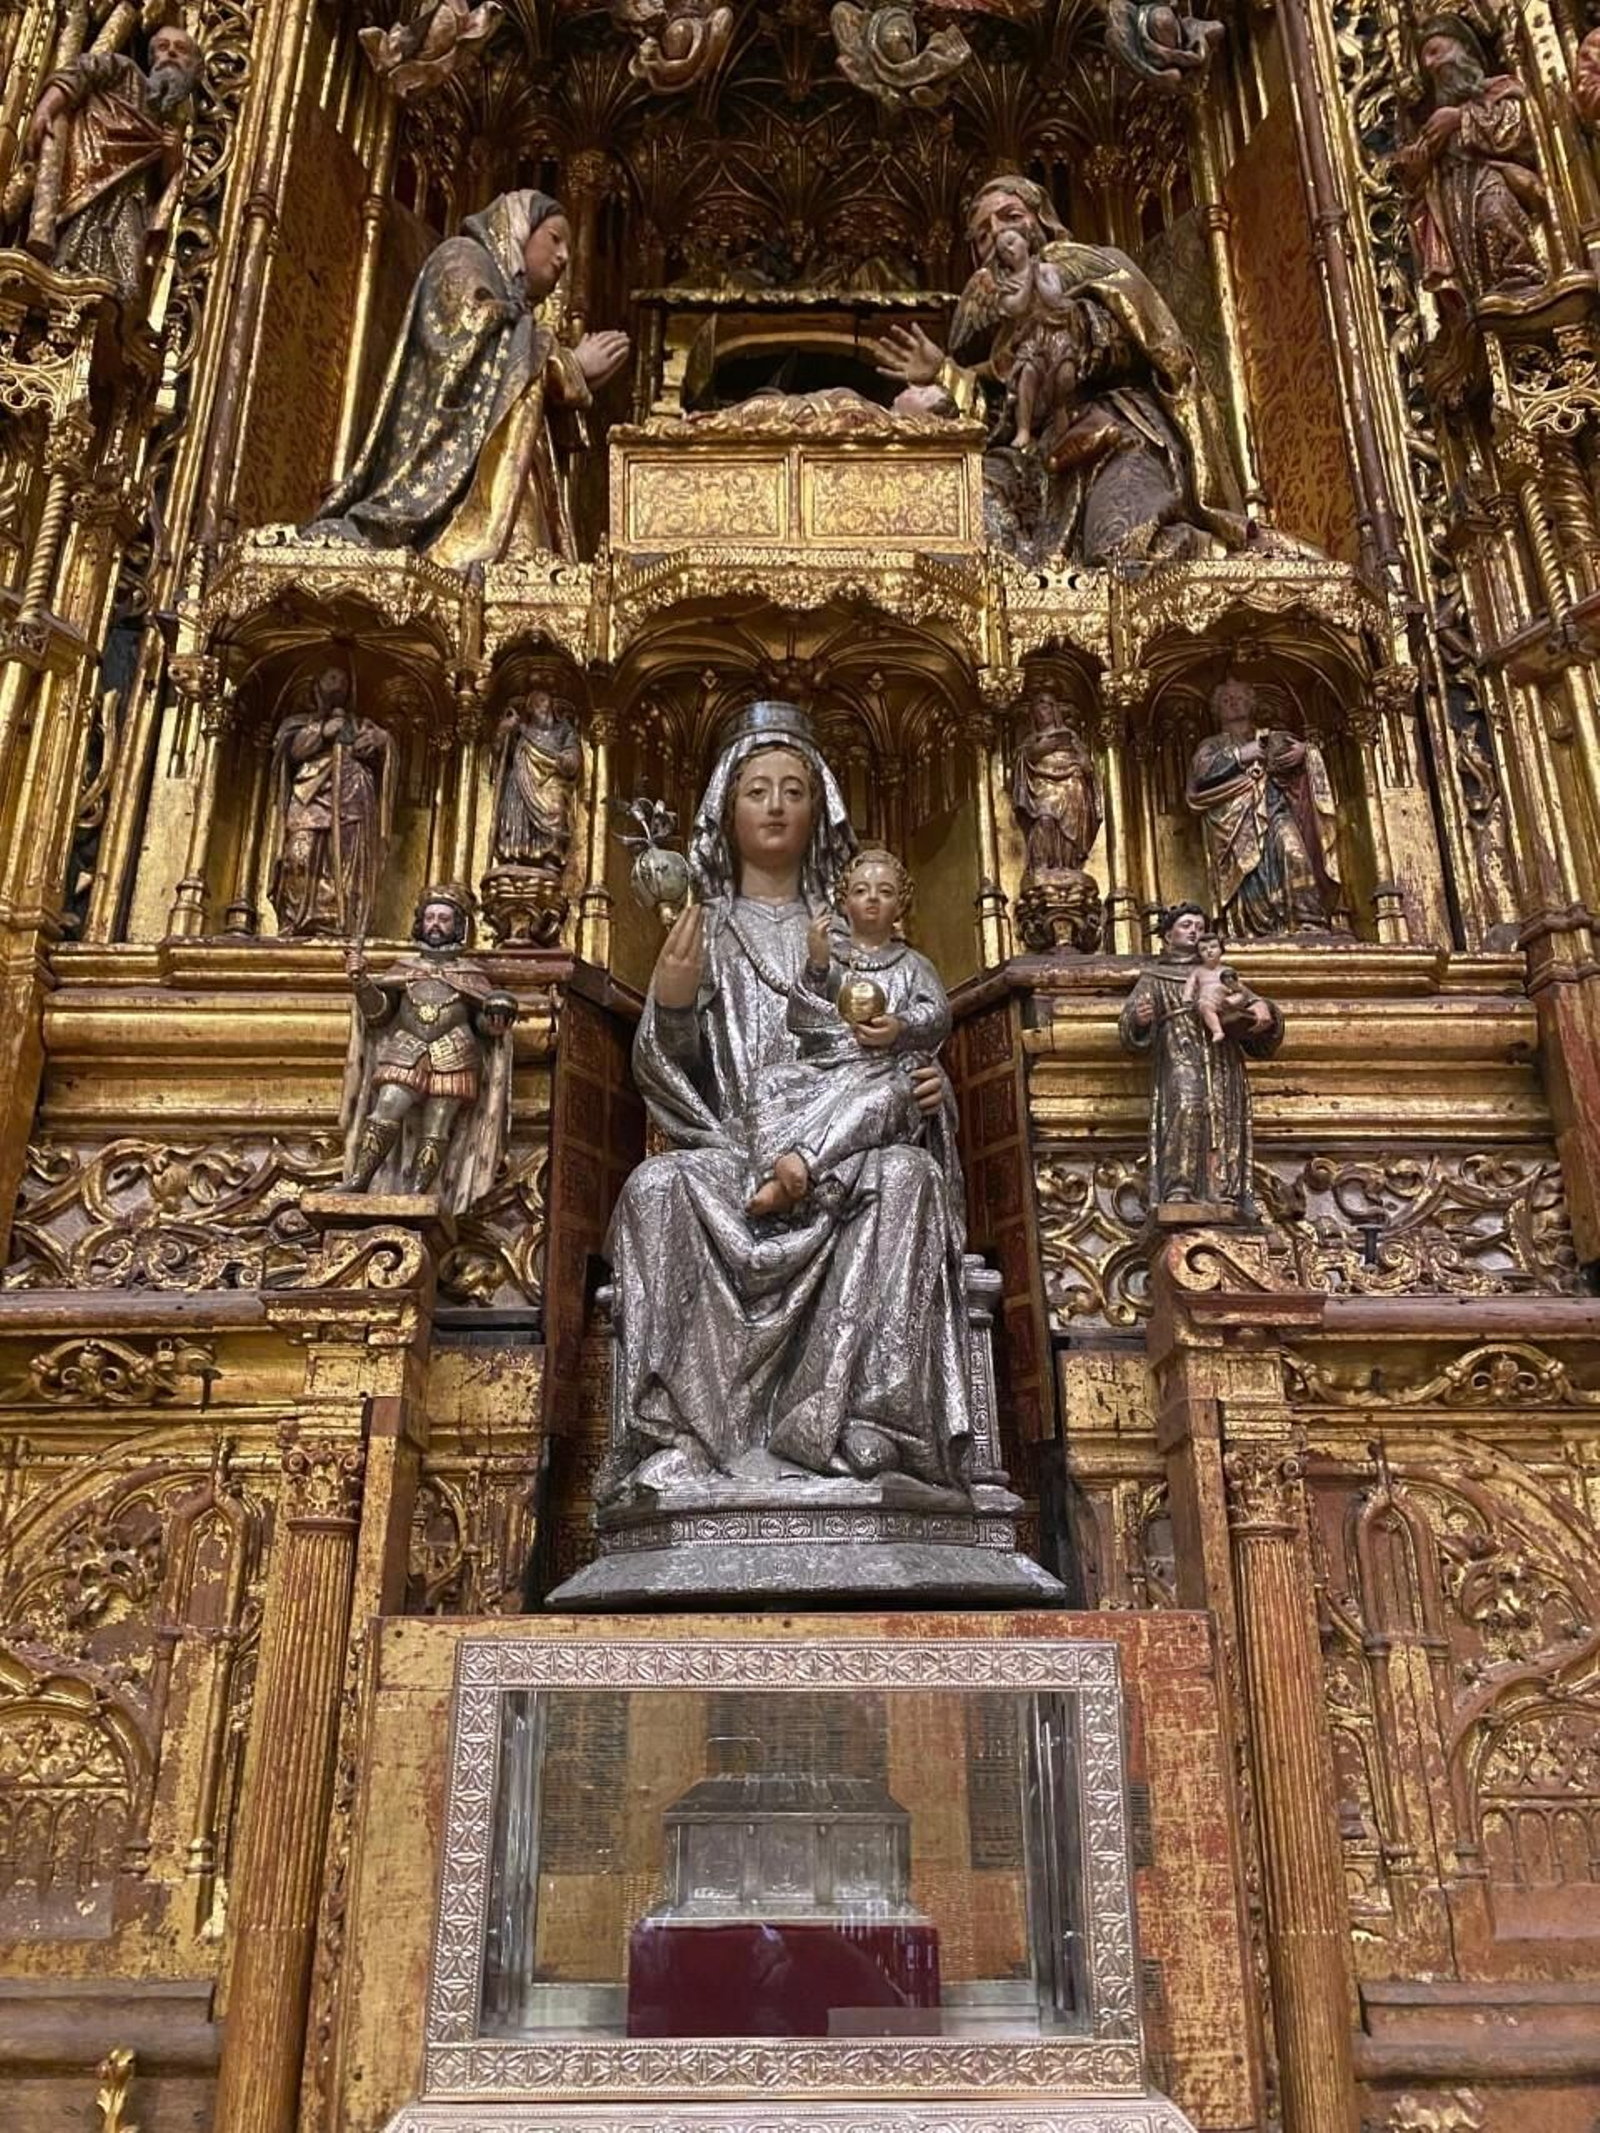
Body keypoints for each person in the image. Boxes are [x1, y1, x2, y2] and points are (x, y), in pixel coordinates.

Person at [603, 701, 974, 1496]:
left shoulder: (857, 935)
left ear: (821, 810)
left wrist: (931, 1088)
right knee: (653, 1189)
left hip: (844, 1154)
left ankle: (867, 1422)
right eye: (756, 790)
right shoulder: (707, 927)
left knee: (909, 1176)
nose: (775, 805)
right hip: (733, 1156)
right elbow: (669, 1078)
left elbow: (910, 1040)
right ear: (724, 811)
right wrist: (671, 1002)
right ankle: (681, 1437)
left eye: (794, 790)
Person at [874, 171, 1245, 566]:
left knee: (1121, 549)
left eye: (1009, 216)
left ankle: (1221, 560)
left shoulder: (1097, 266)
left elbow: (1153, 346)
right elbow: (1001, 412)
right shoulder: (1001, 333)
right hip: (1037, 463)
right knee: (959, 513)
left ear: (1040, 220)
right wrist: (944, 374)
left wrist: (1062, 322)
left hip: (1116, 432)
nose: (998, 234)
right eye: (983, 234)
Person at [313, 190, 629, 570]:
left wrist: (565, 374)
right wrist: (567, 364)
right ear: (516, 228)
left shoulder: (515, 313)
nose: (563, 257)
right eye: (554, 238)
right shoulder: (461, 257)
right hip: (458, 477)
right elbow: (469, 338)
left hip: (507, 475)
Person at [744, 847, 949, 1219]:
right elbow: (800, 1019)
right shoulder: (832, 960)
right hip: (830, 1067)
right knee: (768, 1083)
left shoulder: (913, 964)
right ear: (844, 901)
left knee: (881, 1098)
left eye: (885, 892)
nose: (872, 898)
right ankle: (767, 1173)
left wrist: (899, 1028)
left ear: (900, 904)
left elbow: (937, 1014)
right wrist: (818, 966)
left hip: (884, 1070)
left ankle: (803, 1167)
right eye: (861, 890)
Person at [341, 884, 517, 1206]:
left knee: (438, 1123)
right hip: (406, 1047)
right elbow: (379, 1014)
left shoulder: (471, 975)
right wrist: (361, 982)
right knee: (388, 1105)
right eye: (430, 917)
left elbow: (479, 1019)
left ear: (459, 926)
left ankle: (417, 1193)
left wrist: (493, 1023)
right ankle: (359, 1179)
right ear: (420, 923)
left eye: (444, 919)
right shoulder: (405, 969)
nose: (436, 924)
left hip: (456, 1052)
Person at [1119, 902, 1282, 1216]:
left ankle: (1223, 1189)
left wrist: (1265, 1010)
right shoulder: (1155, 975)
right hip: (1179, 1051)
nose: (1194, 930)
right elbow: (1128, 1026)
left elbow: (1251, 1000)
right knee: (1185, 1106)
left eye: (1198, 925)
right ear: (1167, 936)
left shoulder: (1219, 973)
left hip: (1221, 1056)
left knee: (1221, 1111)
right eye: (1185, 925)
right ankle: (1179, 1186)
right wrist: (1138, 1020)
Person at [19, 25, 200, 301]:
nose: (171, 52)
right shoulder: (125, 72)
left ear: (195, 68)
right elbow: (81, 71)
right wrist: (47, 107)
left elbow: (163, 190)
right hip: (86, 185)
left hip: (131, 204)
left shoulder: (174, 122)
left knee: (122, 285)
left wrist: (173, 158)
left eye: (181, 49)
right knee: (70, 257)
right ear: (151, 59)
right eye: (163, 47)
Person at [1396, 15, 1545, 306]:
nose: (1430, 65)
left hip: (1492, 179)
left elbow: (1520, 131)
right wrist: (1418, 168)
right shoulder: (1432, 120)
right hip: (1452, 195)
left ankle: (1518, 276)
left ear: (1462, 49)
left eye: (1435, 52)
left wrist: (1461, 119)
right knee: (1462, 250)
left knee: (1493, 211)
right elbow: (1422, 180)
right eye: (1425, 59)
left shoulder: (1500, 89)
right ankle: (1477, 301)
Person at [1185, 678, 1340, 936]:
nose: (1233, 704)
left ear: (1252, 703)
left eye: (1240, 698)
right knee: (1247, 873)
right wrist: (1241, 755)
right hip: (1233, 825)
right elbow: (1201, 774)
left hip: (1275, 811)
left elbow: (1302, 768)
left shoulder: (1272, 737)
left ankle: (1307, 921)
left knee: (1294, 853)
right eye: (1226, 700)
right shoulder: (1211, 745)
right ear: (1216, 709)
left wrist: (1306, 752)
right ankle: (1252, 931)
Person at [267, 667, 392, 939]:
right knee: (299, 856)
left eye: (345, 679)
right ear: (317, 684)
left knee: (347, 861)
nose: (340, 684)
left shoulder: (358, 724)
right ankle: (297, 921)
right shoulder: (298, 723)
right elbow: (289, 752)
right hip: (309, 796)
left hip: (352, 799)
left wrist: (381, 742)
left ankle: (342, 923)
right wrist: (322, 730)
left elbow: (382, 752)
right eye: (332, 677)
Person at [490, 689, 582, 870]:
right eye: (539, 702)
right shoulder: (520, 732)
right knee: (515, 809)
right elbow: (500, 754)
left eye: (547, 701)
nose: (544, 706)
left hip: (551, 783)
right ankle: (514, 852)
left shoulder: (564, 730)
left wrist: (567, 759)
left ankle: (551, 854)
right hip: (520, 783)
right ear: (530, 709)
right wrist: (504, 730)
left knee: (556, 809)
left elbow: (574, 755)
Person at [1182, 932, 1249, 1045]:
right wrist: (1187, 996)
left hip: (1226, 1000)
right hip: (1209, 1001)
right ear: (1199, 955)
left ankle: (1231, 1006)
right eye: (1204, 949)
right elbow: (1190, 984)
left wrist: (1235, 988)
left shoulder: (1227, 969)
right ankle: (1217, 1031)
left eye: (1213, 947)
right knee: (1204, 1007)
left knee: (1240, 995)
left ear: (1221, 950)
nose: (1209, 951)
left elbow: (1240, 988)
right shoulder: (1198, 971)